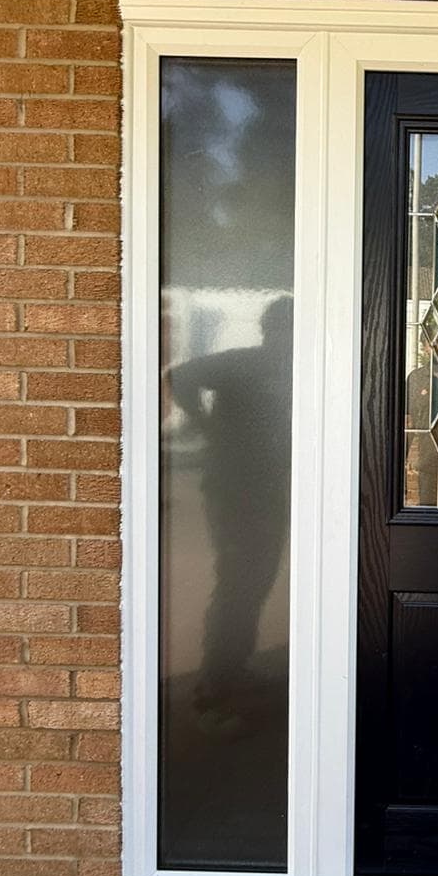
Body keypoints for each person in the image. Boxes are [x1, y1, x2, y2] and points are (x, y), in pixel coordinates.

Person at [166, 294, 292, 732]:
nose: (290, 338)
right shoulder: (246, 363)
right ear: (270, 330)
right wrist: (206, 424)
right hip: (234, 489)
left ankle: (234, 665)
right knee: (238, 584)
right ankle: (210, 697)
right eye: (285, 329)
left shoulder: (293, 368)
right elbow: (179, 375)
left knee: (257, 580)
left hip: (268, 489)